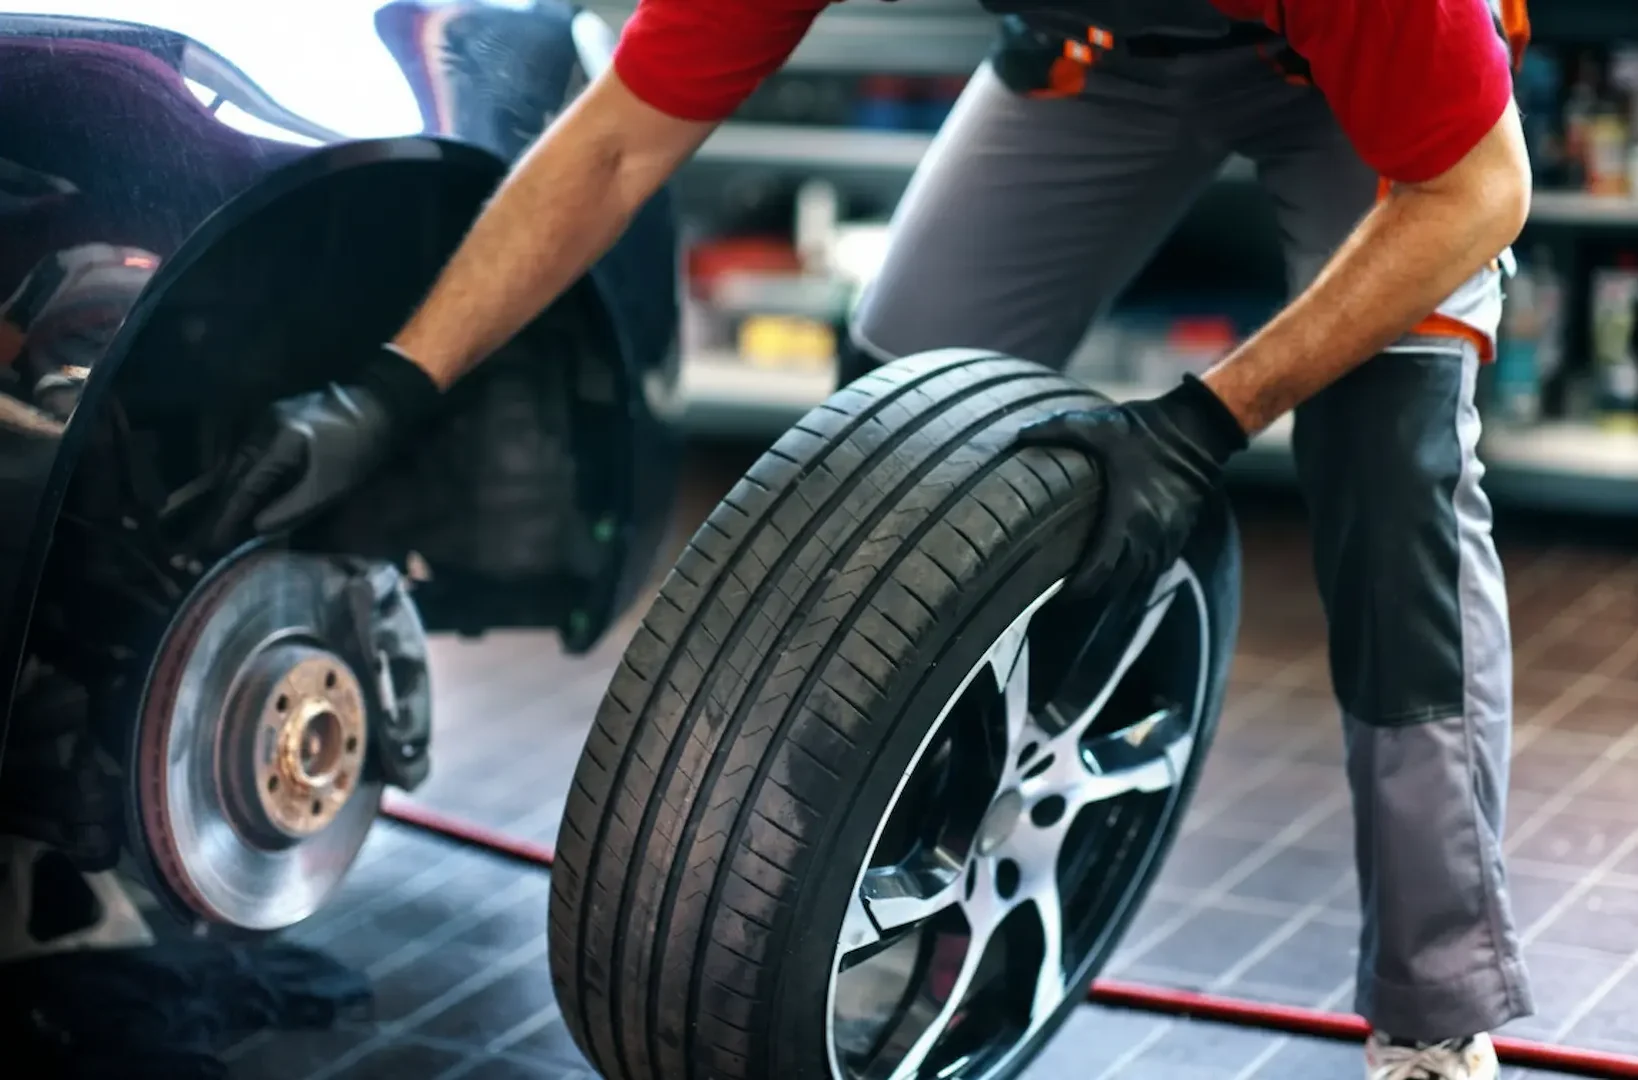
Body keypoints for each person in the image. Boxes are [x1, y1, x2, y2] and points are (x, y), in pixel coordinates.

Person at [205, 1, 1536, 1077]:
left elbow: (1474, 188)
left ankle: (1433, 1008)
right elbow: (613, 143)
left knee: (1389, 471)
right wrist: (391, 386)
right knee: (891, 415)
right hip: (1092, 63)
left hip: (1357, 86)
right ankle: (897, 835)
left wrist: (1199, 421)